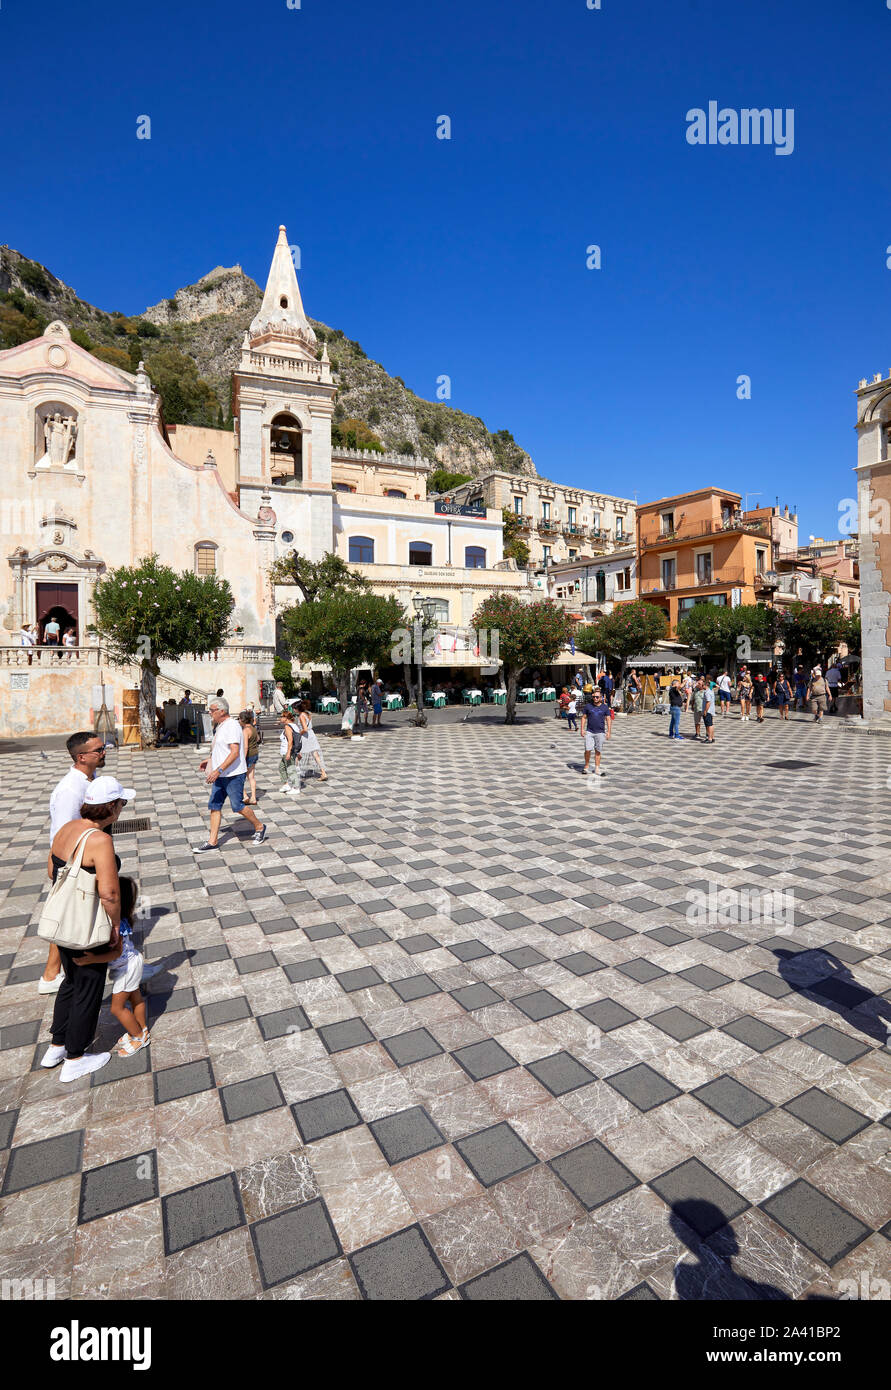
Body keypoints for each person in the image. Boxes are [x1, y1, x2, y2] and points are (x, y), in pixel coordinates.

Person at [41, 776, 134, 1082]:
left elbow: (53, 870)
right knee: (89, 988)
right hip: (86, 926)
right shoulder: (99, 840)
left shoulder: (68, 828)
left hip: (63, 923)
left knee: (70, 982)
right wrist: (116, 927)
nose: (122, 808)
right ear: (112, 807)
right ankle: (76, 1058)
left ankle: (56, 1045)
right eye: (121, 803)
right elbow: (109, 892)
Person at [41, 732, 110, 994]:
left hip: (90, 858)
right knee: (77, 918)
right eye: (98, 750)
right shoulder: (70, 789)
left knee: (71, 918)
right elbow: (64, 834)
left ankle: (50, 975)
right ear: (81, 757)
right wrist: (63, 871)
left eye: (103, 748)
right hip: (77, 864)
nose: (104, 752)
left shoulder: (91, 780)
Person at [194, 697, 267, 851]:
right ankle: (212, 841)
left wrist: (218, 770)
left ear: (222, 711)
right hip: (221, 775)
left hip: (233, 774)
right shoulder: (221, 725)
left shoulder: (232, 726)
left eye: (212, 710)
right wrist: (210, 760)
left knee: (238, 806)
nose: (210, 712)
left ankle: (259, 827)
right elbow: (222, 750)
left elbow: (234, 753)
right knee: (214, 806)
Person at [108, 876, 149, 1057]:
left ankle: (139, 1037)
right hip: (133, 962)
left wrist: (88, 960)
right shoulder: (121, 916)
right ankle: (143, 1029)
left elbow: (115, 953)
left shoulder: (113, 924)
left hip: (126, 967)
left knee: (116, 1008)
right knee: (135, 999)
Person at [579, 685, 612, 776]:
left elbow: (608, 719)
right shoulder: (588, 706)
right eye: (593, 697)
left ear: (601, 697)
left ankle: (597, 768)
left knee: (598, 750)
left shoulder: (605, 707)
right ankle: (586, 767)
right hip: (589, 731)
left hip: (600, 732)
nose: (595, 698)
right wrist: (582, 729)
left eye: (597, 697)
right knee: (587, 749)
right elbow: (583, 718)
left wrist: (609, 731)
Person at [296, 700, 328, 780]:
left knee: (298, 754)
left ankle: (295, 772)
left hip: (306, 736)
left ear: (298, 709)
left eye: (294, 708)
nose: (293, 710)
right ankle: (323, 773)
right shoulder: (308, 714)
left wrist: (299, 733)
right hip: (312, 735)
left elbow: (305, 729)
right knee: (315, 754)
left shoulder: (301, 716)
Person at [277, 708, 302, 797]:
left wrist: (288, 753)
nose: (280, 718)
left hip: (288, 752)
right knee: (281, 767)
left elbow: (291, 741)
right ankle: (286, 785)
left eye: (281, 717)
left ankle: (296, 788)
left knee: (291, 769)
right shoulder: (294, 726)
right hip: (290, 751)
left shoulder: (288, 726)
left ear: (286, 718)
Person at [239, 709, 260, 805]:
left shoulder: (245, 731)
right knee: (251, 777)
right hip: (255, 753)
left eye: (239, 719)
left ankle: (245, 796)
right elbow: (258, 739)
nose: (238, 721)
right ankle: (254, 797)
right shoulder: (253, 728)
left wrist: (242, 758)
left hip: (248, 755)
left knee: (239, 777)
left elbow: (245, 746)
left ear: (243, 720)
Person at [702, 678, 716, 744]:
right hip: (711, 710)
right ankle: (712, 737)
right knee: (711, 724)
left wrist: (705, 711)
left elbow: (708, 702)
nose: (701, 686)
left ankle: (709, 738)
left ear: (705, 685)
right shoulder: (711, 691)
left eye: (702, 685)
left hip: (708, 711)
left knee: (708, 724)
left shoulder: (707, 692)